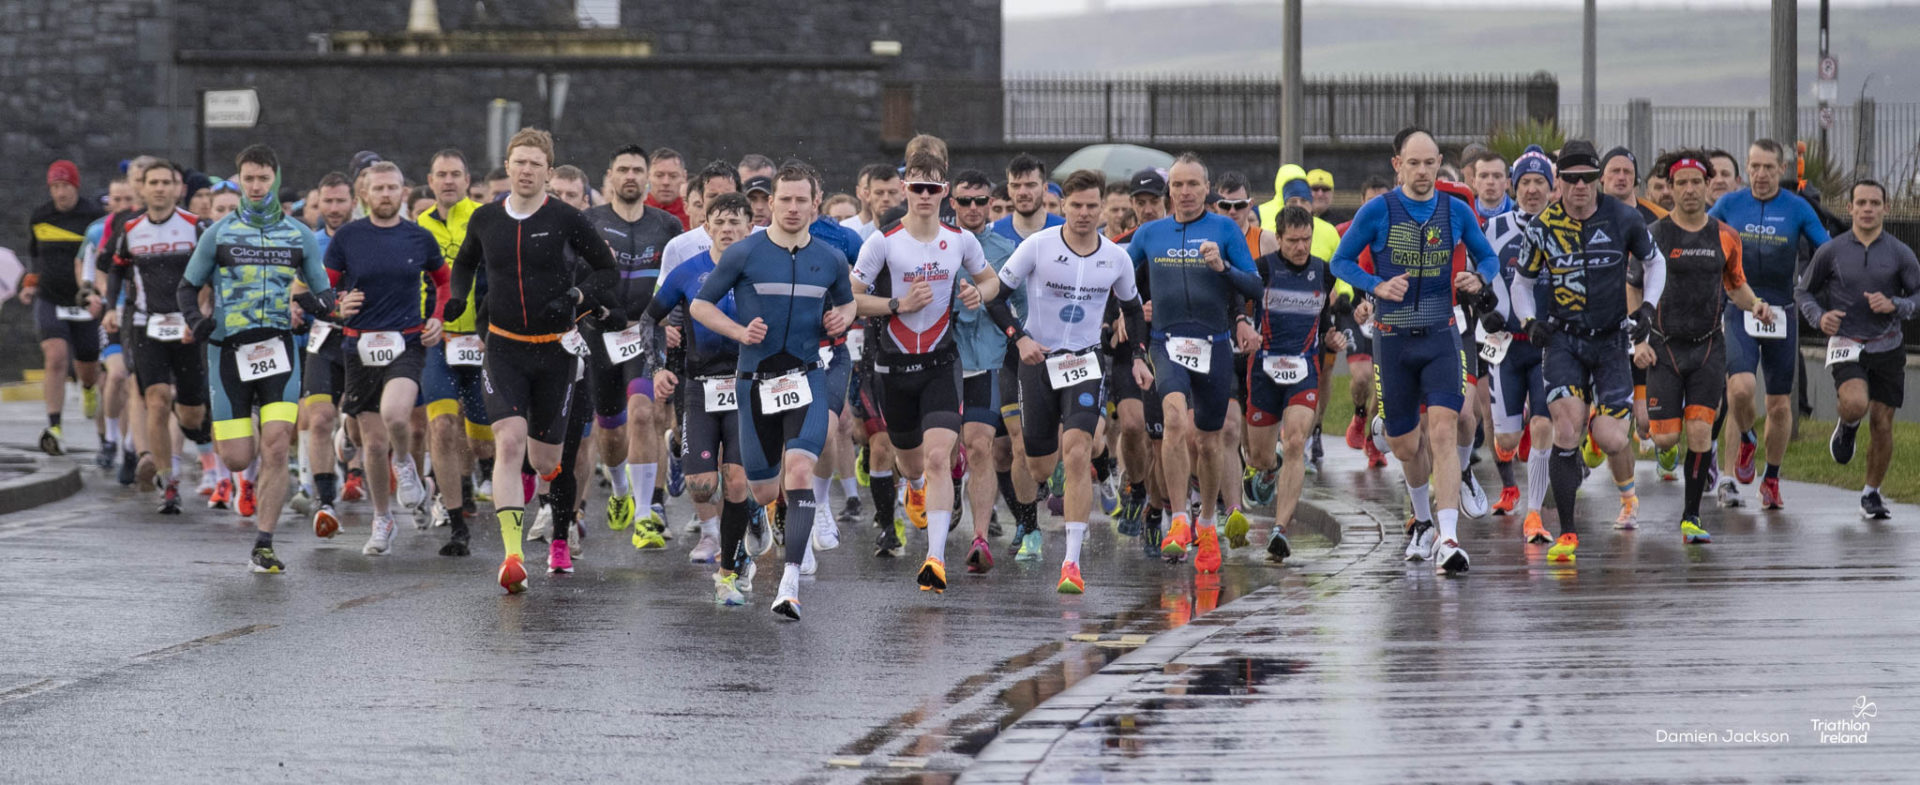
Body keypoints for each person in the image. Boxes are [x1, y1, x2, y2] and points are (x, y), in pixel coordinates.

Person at [444, 127, 618, 594]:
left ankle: (559, 536)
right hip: (503, 347)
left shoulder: (566, 219)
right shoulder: (485, 219)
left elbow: (607, 270)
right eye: (519, 162)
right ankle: (512, 555)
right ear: (507, 166)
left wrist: (579, 295)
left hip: (554, 351)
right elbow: (464, 264)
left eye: (535, 164)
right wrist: (459, 299)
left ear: (547, 171)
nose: (526, 170)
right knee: (509, 441)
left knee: (545, 462)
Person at [689, 163, 858, 620]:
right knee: (762, 489)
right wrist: (739, 331)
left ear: (814, 205)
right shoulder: (744, 253)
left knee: (800, 469)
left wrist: (841, 317)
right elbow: (700, 305)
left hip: (806, 376)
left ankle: (788, 582)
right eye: (785, 199)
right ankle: (761, 517)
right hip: (754, 382)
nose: (793, 207)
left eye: (802, 200)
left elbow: (847, 300)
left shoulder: (830, 257)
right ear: (771, 203)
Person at [1330, 127, 1499, 574]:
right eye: (1414, 163)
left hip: (1442, 336)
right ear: (1397, 165)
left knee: (1444, 431)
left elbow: (1489, 258)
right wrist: (1375, 285)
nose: (1422, 172)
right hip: (1393, 341)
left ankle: (1448, 538)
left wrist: (1478, 278)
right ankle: (1422, 521)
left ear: (1438, 162)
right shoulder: (1378, 211)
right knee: (1405, 442)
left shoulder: (1456, 211)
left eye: (1429, 163)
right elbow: (1340, 261)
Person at [179, 143, 351, 573]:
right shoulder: (218, 234)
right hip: (227, 351)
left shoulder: (298, 234)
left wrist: (322, 307)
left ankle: (265, 543)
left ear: (274, 178)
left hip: (279, 349)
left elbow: (323, 294)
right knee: (238, 457)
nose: (256, 186)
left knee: (276, 446)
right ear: (238, 180)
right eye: (248, 179)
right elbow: (187, 287)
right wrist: (197, 323)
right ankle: (242, 446)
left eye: (263, 178)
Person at [987, 169, 1148, 593]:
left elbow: (1132, 310)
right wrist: (1019, 339)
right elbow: (997, 299)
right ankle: (1047, 487)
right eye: (1075, 206)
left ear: (1102, 210)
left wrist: (1139, 356)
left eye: (1091, 206)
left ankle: (1071, 564)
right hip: (1037, 361)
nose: (1083, 214)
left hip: (1085, 361)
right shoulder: (1037, 247)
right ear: (1063, 208)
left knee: (1076, 452)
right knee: (1040, 464)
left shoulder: (1116, 257)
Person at [1511, 139, 1665, 562]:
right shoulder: (1542, 226)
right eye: (1571, 179)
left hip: (1613, 340)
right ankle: (1568, 533)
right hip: (1563, 339)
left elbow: (1656, 263)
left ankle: (1595, 433)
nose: (1580, 186)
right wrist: (1530, 322)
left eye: (1588, 179)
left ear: (1598, 179)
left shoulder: (1623, 218)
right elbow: (1522, 283)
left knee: (1612, 438)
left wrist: (1648, 308)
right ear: (1558, 181)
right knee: (1564, 428)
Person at [850, 152, 998, 593]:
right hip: (893, 369)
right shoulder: (883, 242)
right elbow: (851, 299)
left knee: (939, 458)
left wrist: (977, 293)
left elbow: (991, 281)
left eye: (934, 188)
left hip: (940, 364)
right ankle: (912, 486)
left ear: (945, 192)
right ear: (905, 190)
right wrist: (898, 305)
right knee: (910, 462)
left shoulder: (960, 241)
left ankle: (934, 558)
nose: (926, 196)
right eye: (918, 188)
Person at [1129, 152, 1263, 575]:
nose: (1185, 193)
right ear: (1169, 191)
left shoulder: (1223, 229)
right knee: (1172, 420)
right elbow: (1119, 280)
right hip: (1165, 342)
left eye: (1193, 185)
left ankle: (1207, 521)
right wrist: (1124, 314)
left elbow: (1255, 286)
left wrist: (1222, 267)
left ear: (1207, 190)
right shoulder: (1150, 234)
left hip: (1214, 345)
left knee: (1207, 442)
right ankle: (1178, 518)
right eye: (1178, 185)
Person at [1644, 150, 1769, 545]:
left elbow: (1735, 285)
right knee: (1663, 437)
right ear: (1671, 189)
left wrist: (1757, 305)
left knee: (1700, 431)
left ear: (1707, 186)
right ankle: (1665, 453)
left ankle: (1692, 517)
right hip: (1664, 348)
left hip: (1708, 348)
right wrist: (1638, 331)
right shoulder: (1656, 236)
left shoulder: (1725, 236)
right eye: (1681, 183)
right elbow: (1635, 283)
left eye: (1696, 182)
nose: (1689, 190)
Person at [324, 161, 446, 556]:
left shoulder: (419, 238)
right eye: (378, 189)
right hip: (359, 347)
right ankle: (383, 519)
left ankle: (407, 466)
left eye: (393, 188)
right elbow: (322, 287)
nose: (386, 195)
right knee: (373, 445)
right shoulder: (347, 237)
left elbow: (444, 282)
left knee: (397, 416)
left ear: (404, 193)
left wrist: (438, 319)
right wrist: (337, 306)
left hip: (407, 342)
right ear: (365, 195)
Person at [1708, 139, 1831, 510]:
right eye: (1755, 167)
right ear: (1747, 170)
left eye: (1768, 168)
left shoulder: (1797, 208)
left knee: (1779, 405)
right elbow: (1697, 233)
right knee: (1740, 390)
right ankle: (1735, 462)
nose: (1761, 175)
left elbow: (1826, 251)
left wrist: (1813, 289)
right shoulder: (1730, 204)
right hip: (1740, 304)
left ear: (1781, 170)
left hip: (1780, 312)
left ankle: (1772, 478)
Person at [648, 193, 759, 603]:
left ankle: (729, 572)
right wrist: (658, 366)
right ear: (706, 227)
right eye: (720, 222)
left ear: (750, 227)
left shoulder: (762, 269)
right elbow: (650, 317)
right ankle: (681, 450)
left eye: (736, 222)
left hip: (748, 384)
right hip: (699, 386)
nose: (728, 229)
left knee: (735, 482)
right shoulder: (687, 271)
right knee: (700, 485)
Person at [581, 144, 686, 548]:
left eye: (637, 170)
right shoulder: (588, 222)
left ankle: (645, 514)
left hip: (647, 333)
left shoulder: (666, 226)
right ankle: (622, 492)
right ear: (609, 176)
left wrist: (672, 322)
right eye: (622, 169)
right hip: (600, 335)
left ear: (646, 178)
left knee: (643, 414)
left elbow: (682, 282)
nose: (630, 176)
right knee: (609, 432)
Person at [1796, 179, 1918, 521]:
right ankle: (1847, 426)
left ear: (1885, 208)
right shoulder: (1832, 251)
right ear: (1849, 208)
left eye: (1874, 203)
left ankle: (1871, 493)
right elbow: (1803, 292)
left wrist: (1895, 304)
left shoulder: (1899, 252)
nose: (1867, 209)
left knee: (1882, 421)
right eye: (1861, 203)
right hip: (1846, 342)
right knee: (1855, 403)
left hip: (1888, 345)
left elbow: (1917, 295)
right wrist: (1819, 318)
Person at [100, 160, 213, 514]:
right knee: (156, 398)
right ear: (143, 189)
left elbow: (211, 276)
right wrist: (109, 308)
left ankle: (194, 426)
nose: (160, 188)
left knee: (192, 414)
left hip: (186, 326)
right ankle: (169, 482)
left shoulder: (196, 227)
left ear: (178, 189)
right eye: (154, 183)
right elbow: (116, 271)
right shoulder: (131, 230)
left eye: (167, 182)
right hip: (146, 325)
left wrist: (201, 314)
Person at [1243, 206, 1343, 563]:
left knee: (1297, 440)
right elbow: (1239, 302)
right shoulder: (1264, 268)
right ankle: (1270, 470)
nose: (1301, 248)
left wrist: (1332, 334)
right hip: (1264, 369)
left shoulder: (1323, 271)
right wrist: (1244, 326)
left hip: (1303, 368)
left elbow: (1327, 313)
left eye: (1306, 240)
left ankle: (1280, 529)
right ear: (1279, 238)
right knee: (1259, 455)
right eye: (1293, 241)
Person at [415, 148, 491, 555]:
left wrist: (492, 329)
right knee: (442, 426)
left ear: (466, 181)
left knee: (483, 442)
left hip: (482, 341)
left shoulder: (483, 219)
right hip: (437, 342)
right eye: (440, 174)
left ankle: (484, 473)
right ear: (430, 181)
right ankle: (457, 523)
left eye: (455, 174)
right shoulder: (417, 227)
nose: (447, 181)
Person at [1482, 145, 1556, 537]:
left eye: (1539, 182)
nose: (1532, 189)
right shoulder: (1494, 228)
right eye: (1525, 182)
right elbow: (1478, 278)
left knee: (1545, 426)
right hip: (1506, 345)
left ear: (1552, 187)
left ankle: (1534, 513)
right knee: (1507, 439)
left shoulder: (1564, 226)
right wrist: (1485, 310)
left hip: (1548, 346)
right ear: (1514, 186)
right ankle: (1511, 458)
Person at [948, 168, 1018, 574]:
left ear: (991, 203)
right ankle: (948, 478)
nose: (973, 208)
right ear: (952, 204)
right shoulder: (937, 245)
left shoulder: (1006, 249)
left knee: (980, 446)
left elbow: (1018, 303)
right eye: (964, 201)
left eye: (980, 201)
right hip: (942, 360)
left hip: (988, 361)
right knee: (937, 452)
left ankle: (978, 537)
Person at [23, 159, 107, 456]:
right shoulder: (40, 217)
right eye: (55, 187)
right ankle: (54, 425)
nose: (61, 193)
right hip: (49, 298)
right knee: (56, 356)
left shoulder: (93, 217)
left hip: (83, 301)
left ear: (75, 186)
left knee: (88, 366)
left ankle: (87, 389)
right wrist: (30, 282)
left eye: (65, 186)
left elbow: (101, 256)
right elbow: (36, 257)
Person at [991, 154, 1064, 243]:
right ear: (1009, 190)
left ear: (1045, 189)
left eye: (1030, 185)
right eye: (1015, 186)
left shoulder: (1066, 229)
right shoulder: (992, 233)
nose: (1023, 192)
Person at [840, 163, 901, 240]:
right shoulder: (857, 239)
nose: (886, 198)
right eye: (879, 193)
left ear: (904, 193)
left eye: (892, 192)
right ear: (867, 195)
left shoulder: (917, 234)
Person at [644, 147, 690, 229]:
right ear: (647, 176)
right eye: (659, 175)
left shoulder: (693, 213)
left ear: (684, 176)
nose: (666, 182)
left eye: (673, 176)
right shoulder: (636, 211)